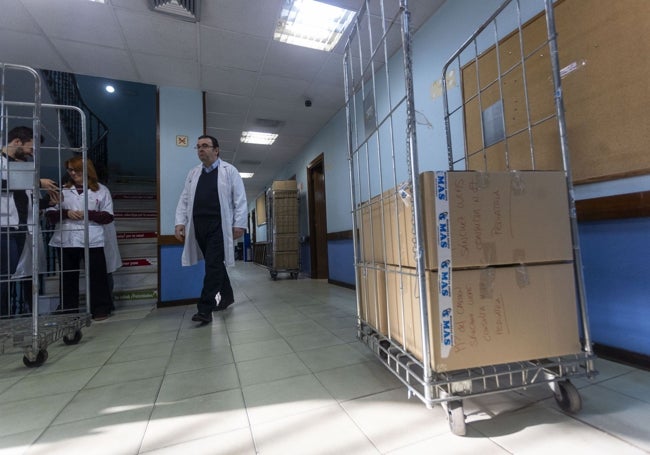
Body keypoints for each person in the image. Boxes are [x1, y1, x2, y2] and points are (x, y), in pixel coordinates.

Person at [175, 135, 247, 324]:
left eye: (205, 146)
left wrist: (239, 223)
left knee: (212, 265)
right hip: (198, 226)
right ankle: (228, 295)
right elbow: (184, 199)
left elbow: (240, 199)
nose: (201, 149)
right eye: (198, 147)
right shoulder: (193, 173)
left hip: (219, 225)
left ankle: (205, 309)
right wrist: (179, 222)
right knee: (214, 264)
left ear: (216, 150)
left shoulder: (229, 171)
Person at [45, 156, 114, 321]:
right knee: (68, 277)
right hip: (66, 238)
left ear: (87, 170)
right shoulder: (62, 190)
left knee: (97, 275)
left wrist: (88, 214)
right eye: (70, 170)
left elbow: (108, 216)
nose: (73, 173)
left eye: (76, 169)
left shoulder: (101, 190)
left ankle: (100, 308)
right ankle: (69, 310)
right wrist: (66, 213)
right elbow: (50, 215)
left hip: (92, 238)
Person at [1, 126, 58, 317]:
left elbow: (27, 199)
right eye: (30, 148)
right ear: (16, 142)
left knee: (25, 275)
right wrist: (35, 181)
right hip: (4, 229)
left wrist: (48, 201)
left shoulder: (24, 165)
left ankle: (25, 317)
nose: (32, 153)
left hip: (24, 229)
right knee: (4, 278)